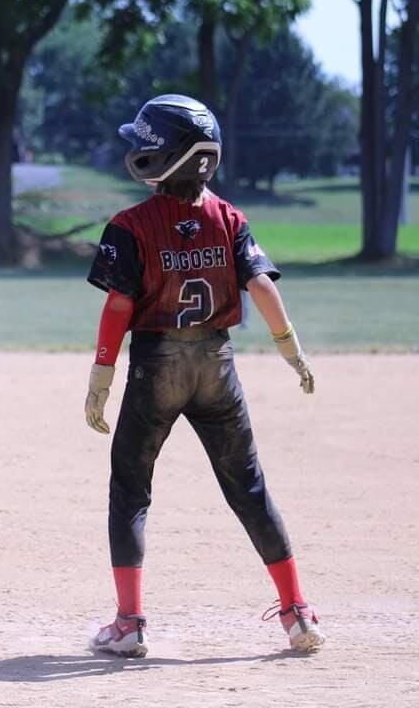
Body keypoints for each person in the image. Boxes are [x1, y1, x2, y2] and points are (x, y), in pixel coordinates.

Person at [83, 94, 325, 658]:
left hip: (157, 364)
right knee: (250, 487)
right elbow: (261, 285)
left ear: (163, 155)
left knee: (130, 489)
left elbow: (119, 306)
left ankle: (129, 623)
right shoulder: (230, 218)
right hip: (217, 362)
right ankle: (295, 611)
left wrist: (101, 376)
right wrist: (290, 350)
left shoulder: (129, 225)